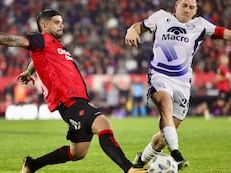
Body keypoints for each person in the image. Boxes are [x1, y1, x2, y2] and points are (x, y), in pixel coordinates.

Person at [0, 9, 147, 173]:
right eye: (56, 22)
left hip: (77, 100)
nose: (61, 25)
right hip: (69, 101)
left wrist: (29, 72)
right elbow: (13, 40)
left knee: (77, 152)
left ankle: (32, 165)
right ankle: (130, 169)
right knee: (103, 124)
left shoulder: (53, 46)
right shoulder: (40, 39)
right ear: (44, 25)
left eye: (62, 21)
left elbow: (37, 58)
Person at [125, 0, 231, 170]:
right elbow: (139, 26)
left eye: (191, 7)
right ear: (176, 5)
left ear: (195, 10)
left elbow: (225, 33)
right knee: (165, 104)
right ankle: (176, 154)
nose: (187, 10)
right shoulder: (161, 17)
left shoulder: (201, 25)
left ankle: (140, 160)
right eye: (184, 5)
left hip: (182, 82)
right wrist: (132, 29)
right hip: (159, 75)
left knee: (164, 136)